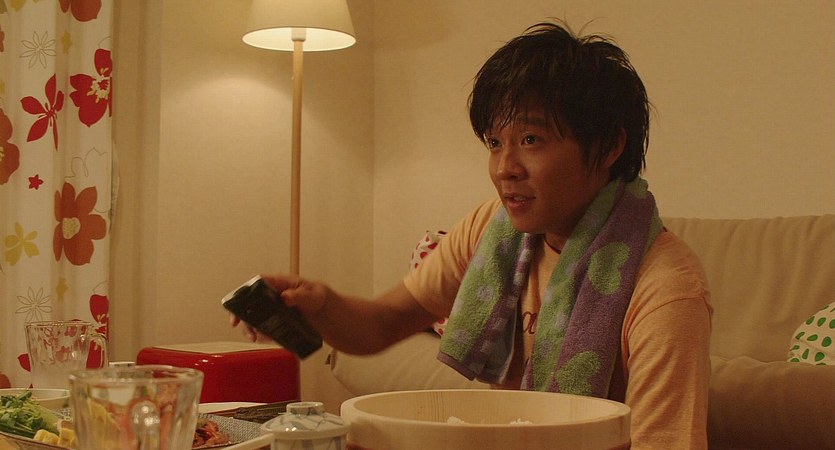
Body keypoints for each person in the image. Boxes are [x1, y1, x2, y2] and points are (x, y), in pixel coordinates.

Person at [233, 21, 712, 449]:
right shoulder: (492, 230)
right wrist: (320, 306)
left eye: (531, 140)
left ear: (609, 147)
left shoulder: (666, 287)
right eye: (495, 143)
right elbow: (379, 325)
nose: (505, 168)